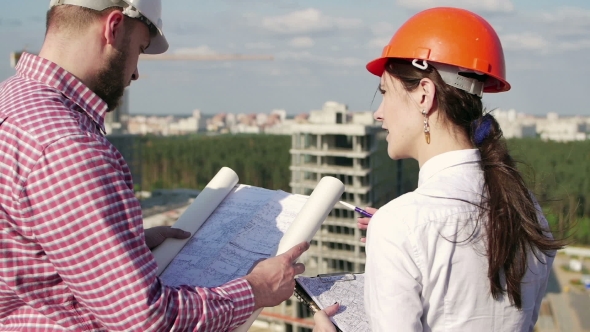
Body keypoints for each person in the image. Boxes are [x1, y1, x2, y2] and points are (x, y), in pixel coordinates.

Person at [0, 1, 309, 331]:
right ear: (114, 27)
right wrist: (256, 289)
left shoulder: (12, 102)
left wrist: (121, 244)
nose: (135, 72)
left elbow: (26, 254)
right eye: (140, 49)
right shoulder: (70, 147)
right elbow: (146, 321)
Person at [313, 7, 564, 332]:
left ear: (424, 95)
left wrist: (401, 233)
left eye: (385, 93)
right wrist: (407, 235)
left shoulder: (399, 227)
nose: (378, 114)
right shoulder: (527, 209)